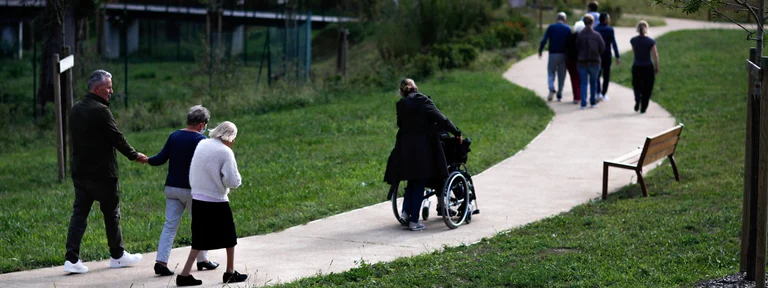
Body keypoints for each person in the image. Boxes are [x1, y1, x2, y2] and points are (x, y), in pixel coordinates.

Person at [64, 70, 146, 274]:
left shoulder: (75, 109)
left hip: (80, 173)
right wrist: (134, 155)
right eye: (109, 87)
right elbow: (115, 137)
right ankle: (117, 255)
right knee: (111, 214)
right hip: (102, 174)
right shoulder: (100, 110)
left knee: (79, 215)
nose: (112, 91)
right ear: (97, 88)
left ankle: (71, 258)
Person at [148, 105, 219, 276]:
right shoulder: (200, 141)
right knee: (200, 225)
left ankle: (161, 262)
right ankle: (203, 260)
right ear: (201, 124)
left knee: (169, 226)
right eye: (206, 124)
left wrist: (146, 160)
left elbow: (160, 159)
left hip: (172, 189)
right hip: (193, 190)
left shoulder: (174, 136)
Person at [383, 79, 462, 231]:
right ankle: (414, 221)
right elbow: (441, 119)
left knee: (412, 181)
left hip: (404, 146)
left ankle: (405, 213)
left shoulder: (401, 104)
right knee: (419, 182)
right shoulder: (423, 100)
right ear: (414, 87)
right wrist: (456, 132)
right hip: (423, 147)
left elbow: (400, 124)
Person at [176, 121, 245, 286]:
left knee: (199, 238)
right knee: (230, 237)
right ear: (229, 136)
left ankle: (184, 274)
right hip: (216, 200)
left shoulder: (202, 144)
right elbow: (233, 181)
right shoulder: (225, 152)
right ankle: (230, 272)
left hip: (198, 198)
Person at [539, 12, 572, 102]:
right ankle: (559, 94)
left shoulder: (551, 27)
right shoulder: (568, 29)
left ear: (556, 19)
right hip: (563, 55)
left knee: (551, 72)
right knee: (562, 75)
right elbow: (570, 43)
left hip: (553, 54)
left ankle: (551, 87)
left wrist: (540, 50)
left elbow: (544, 40)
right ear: (565, 19)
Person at [576, 14, 605, 109]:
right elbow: (602, 47)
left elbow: (577, 47)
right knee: (594, 82)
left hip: (582, 62)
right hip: (594, 62)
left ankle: (583, 103)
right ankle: (592, 102)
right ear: (592, 23)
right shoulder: (596, 35)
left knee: (583, 83)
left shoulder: (580, 35)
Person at [630, 20, 659, 113]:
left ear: (637, 29)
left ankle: (637, 99)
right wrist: (657, 67)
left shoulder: (633, 40)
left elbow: (634, 52)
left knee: (636, 85)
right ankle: (643, 107)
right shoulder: (650, 41)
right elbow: (655, 55)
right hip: (648, 67)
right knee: (648, 87)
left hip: (637, 66)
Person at [595, 13, 620, 101]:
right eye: (608, 18)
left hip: (597, 55)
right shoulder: (610, 30)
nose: (609, 20)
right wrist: (617, 55)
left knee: (597, 74)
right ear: (605, 19)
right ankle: (603, 93)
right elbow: (614, 43)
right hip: (607, 55)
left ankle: (598, 92)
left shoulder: (595, 29)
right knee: (606, 75)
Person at [565, 21, 585, 104]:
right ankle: (581, 96)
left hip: (570, 61)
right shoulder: (583, 38)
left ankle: (576, 97)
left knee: (574, 79)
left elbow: (566, 48)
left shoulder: (570, 37)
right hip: (581, 61)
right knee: (581, 79)